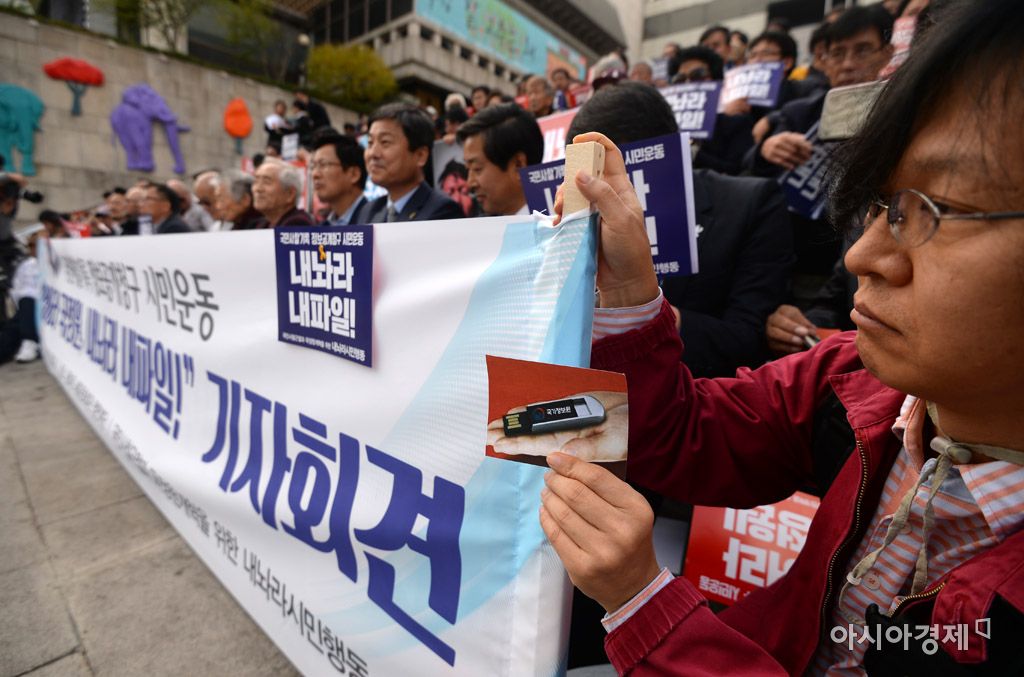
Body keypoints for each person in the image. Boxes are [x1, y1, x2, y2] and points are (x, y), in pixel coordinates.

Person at [536, 0, 1024, 673]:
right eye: (883, 205)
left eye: (935, 209)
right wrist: (628, 297)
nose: (863, 255)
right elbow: (683, 431)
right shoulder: (852, 382)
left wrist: (643, 604)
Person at [566, 80, 793, 378]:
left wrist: (647, 313)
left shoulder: (750, 204)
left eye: (604, 168)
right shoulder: (582, 219)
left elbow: (751, 340)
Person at [354, 103, 464, 223]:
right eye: (370, 143)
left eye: (385, 142)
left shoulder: (443, 211)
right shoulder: (369, 211)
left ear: (420, 155)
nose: (373, 153)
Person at [670, 46, 754, 176]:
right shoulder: (666, 129)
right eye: (679, 79)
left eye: (698, 76)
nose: (687, 84)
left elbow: (736, 172)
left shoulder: (735, 123)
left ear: (716, 81)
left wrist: (692, 151)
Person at [455, 103, 543, 216]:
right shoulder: (482, 224)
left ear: (518, 165)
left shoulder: (559, 223)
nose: (470, 183)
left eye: (477, 169)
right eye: (468, 169)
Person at [0, 230, 41, 363]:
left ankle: (30, 340)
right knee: (11, 330)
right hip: (26, 308)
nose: (32, 249)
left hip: (45, 307)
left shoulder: (55, 263)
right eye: (30, 245)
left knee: (28, 298)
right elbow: (16, 290)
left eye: (36, 245)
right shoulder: (26, 266)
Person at [310, 131, 367, 226]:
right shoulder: (322, 228)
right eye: (313, 166)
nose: (315, 174)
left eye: (323, 165)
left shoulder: (377, 222)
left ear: (354, 175)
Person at [252, 158, 314, 228]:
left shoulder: (298, 223)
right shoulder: (263, 224)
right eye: (256, 181)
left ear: (290, 194)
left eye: (266, 182)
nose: (258, 189)